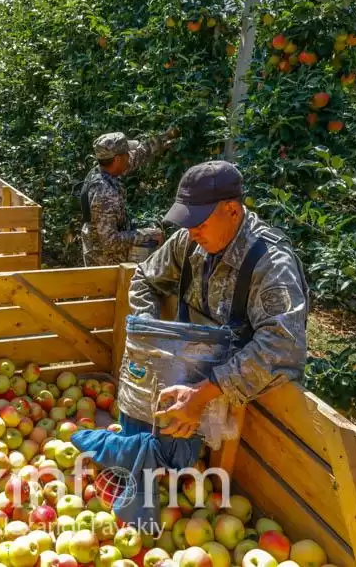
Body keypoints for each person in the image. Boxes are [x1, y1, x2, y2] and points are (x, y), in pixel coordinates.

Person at [128, 160, 310, 438]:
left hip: (244, 415)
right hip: (185, 388)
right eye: (186, 222)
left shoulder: (270, 263)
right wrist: (150, 333)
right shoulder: (188, 241)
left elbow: (283, 346)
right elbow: (145, 277)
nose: (191, 231)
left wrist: (203, 395)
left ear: (232, 210)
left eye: (198, 221)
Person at [80, 129, 178, 266]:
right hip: (104, 264)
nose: (130, 156)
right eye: (127, 153)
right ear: (118, 159)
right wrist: (148, 234)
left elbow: (138, 155)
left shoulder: (105, 169)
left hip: (106, 255)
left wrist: (164, 137)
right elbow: (110, 242)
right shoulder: (104, 193)